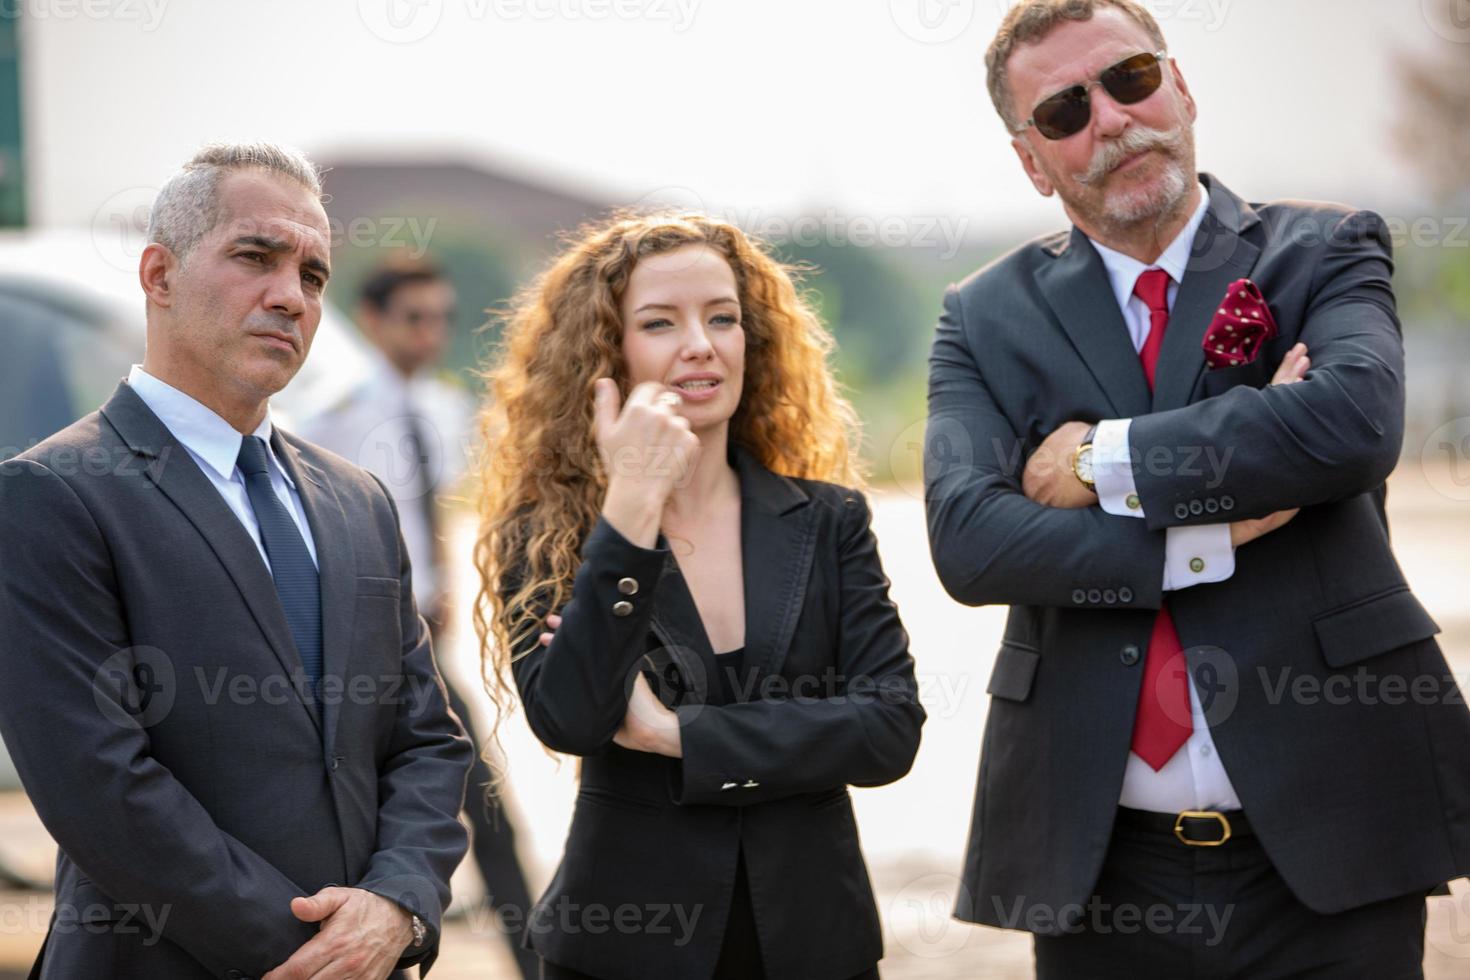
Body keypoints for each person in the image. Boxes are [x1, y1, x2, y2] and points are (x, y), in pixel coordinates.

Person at [924, 2, 1470, 975]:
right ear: (1032, 161)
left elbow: (1348, 428)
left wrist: (1097, 463)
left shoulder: (1325, 248)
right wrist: (1205, 531)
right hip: (1098, 862)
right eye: (1065, 112)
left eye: (1131, 78)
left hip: (1334, 830)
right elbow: (971, 538)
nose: (1114, 119)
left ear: (1181, 87)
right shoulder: (982, 316)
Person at [0, 142, 472, 979]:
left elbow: (427, 743)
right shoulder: (51, 495)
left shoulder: (359, 501)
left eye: (314, 276)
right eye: (256, 256)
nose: (289, 296)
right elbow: (101, 789)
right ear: (159, 276)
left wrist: (398, 905)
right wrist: (320, 957)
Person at [474, 211, 926, 979]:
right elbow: (572, 719)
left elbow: (888, 730)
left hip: (815, 943)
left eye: (723, 318)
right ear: (606, 351)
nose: (702, 344)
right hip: (621, 950)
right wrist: (631, 510)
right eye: (659, 322)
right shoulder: (545, 535)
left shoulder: (829, 521)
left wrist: (684, 736)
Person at [296, 261, 539, 979]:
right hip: (361, 651)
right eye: (413, 317)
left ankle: (537, 961)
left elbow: (442, 516)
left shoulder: (445, 407)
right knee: (381, 820)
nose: (429, 332)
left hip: (430, 644)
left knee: (489, 813)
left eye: (440, 317)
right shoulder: (329, 417)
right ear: (372, 320)